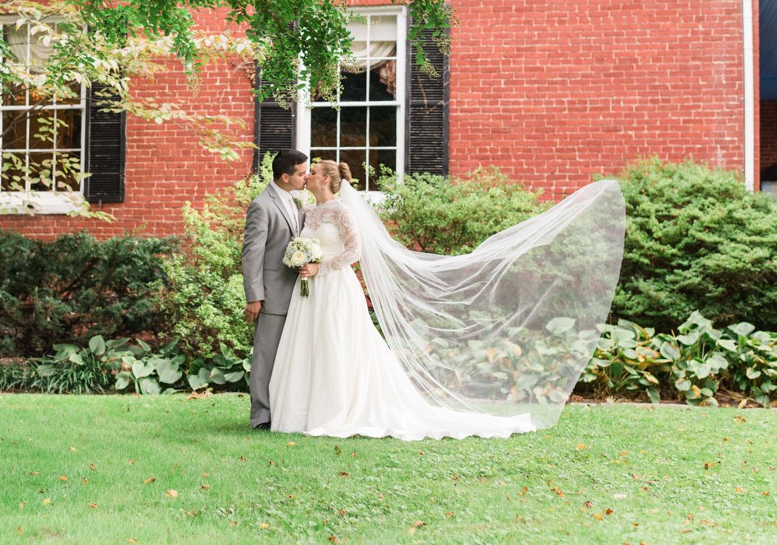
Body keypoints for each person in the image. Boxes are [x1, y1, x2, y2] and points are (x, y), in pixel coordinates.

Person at [268, 160, 625, 440]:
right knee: (309, 346)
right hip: (309, 292)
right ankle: (304, 411)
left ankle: (338, 409)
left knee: (337, 347)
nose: (307, 175)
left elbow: (355, 251)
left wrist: (322, 266)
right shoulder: (308, 212)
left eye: (312, 172)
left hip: (334, 288)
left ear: (328, 180)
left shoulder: (343, 212)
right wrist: (303, 260)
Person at [242, 149, 309, 430]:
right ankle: (261, 416)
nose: (306, 178)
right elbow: (252, 254)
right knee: (266, 354)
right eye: (302, 173)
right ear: (285, 176)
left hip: (298, 294)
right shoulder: (262, 205)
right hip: (272, 294)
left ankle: (284, 410)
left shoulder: (296, 201)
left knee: (290, 356)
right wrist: (254, 297)